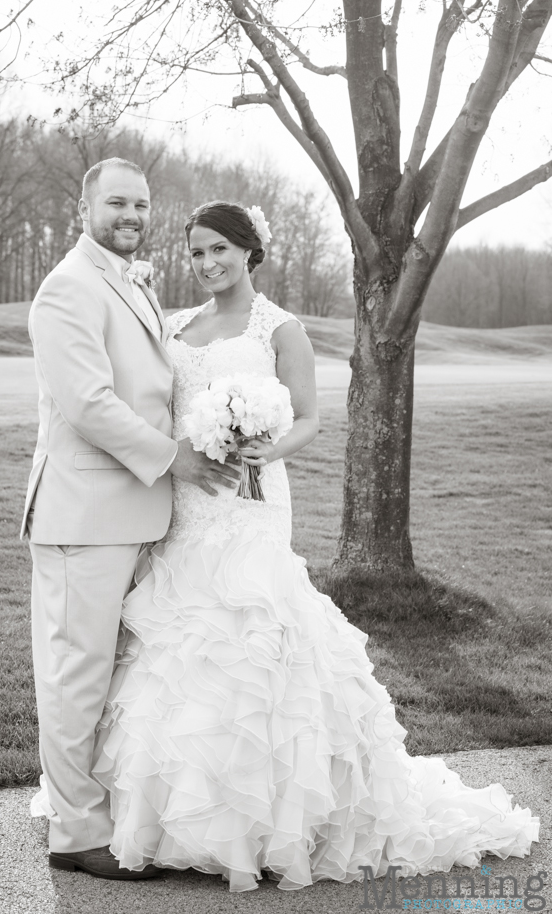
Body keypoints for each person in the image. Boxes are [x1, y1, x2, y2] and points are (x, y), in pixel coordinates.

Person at [62, 198, 537, 892]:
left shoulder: (279, 328)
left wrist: (259, 449)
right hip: (188, 499)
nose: (206, 264)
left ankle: (264, 817)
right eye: (195, 252)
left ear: (250, 251)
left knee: (252, 633)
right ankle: (161, 810)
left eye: (218, 249)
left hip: (251, 505)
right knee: (176, 637)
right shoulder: (174, 326)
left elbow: (311, 418)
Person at [22, 160, 238, 880]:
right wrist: (174, 457)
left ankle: (96, 804)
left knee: (113, 674)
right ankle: (76, 832)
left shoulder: (125, 277)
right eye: (116, 201)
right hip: (83, 515)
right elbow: (88, 404)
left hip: (133, 514)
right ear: (83, 205)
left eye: (141, 205)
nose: (132, 214)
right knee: (74, 675)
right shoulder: (67, 288)